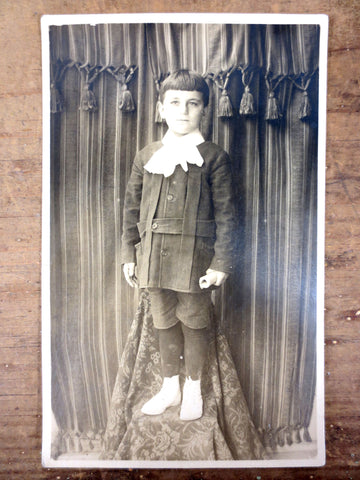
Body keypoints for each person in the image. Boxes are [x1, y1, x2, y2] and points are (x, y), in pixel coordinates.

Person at [121, 69, 236, 421]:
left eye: (192, 104)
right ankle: (169, 387)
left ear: (204, 109)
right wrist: (130, 254)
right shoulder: (147, 155)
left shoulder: (214, 157)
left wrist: (220, 264)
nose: (183, 111)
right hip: (154, 255)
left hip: (195, 258)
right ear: (161, 109)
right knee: (164, 321)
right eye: (174, 103)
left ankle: (192, 390)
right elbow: (131, 209)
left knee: (194, 322)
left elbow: (228, 217)